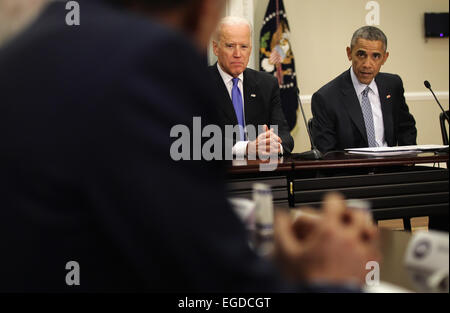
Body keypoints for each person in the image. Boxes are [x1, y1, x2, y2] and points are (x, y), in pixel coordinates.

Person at [0, 0, 379, 292]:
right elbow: (220, 287)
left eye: (244, 47)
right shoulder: (152, 59)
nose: (237, 54)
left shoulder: (26, 47)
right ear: (205, 12)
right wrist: (331, 277)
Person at [311, 26, 417, 154]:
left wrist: (408, 158)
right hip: (352, 171)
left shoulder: (393, 85)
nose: (367, 64)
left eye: (376, 56)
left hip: (390, 168)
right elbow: (327, 153)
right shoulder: (326, 97)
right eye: (361, 54)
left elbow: (406, 127)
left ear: (385, 58)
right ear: (349, 53)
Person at [209, 16, 294, 158]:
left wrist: (274, 145)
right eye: (230, 46)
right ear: (216, 48)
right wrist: (247, 148)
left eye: (244, 47)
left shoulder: (267, 84)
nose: (238, 54)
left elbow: (285, 137)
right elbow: (195, 139)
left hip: (261, 173)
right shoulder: (197, 84)